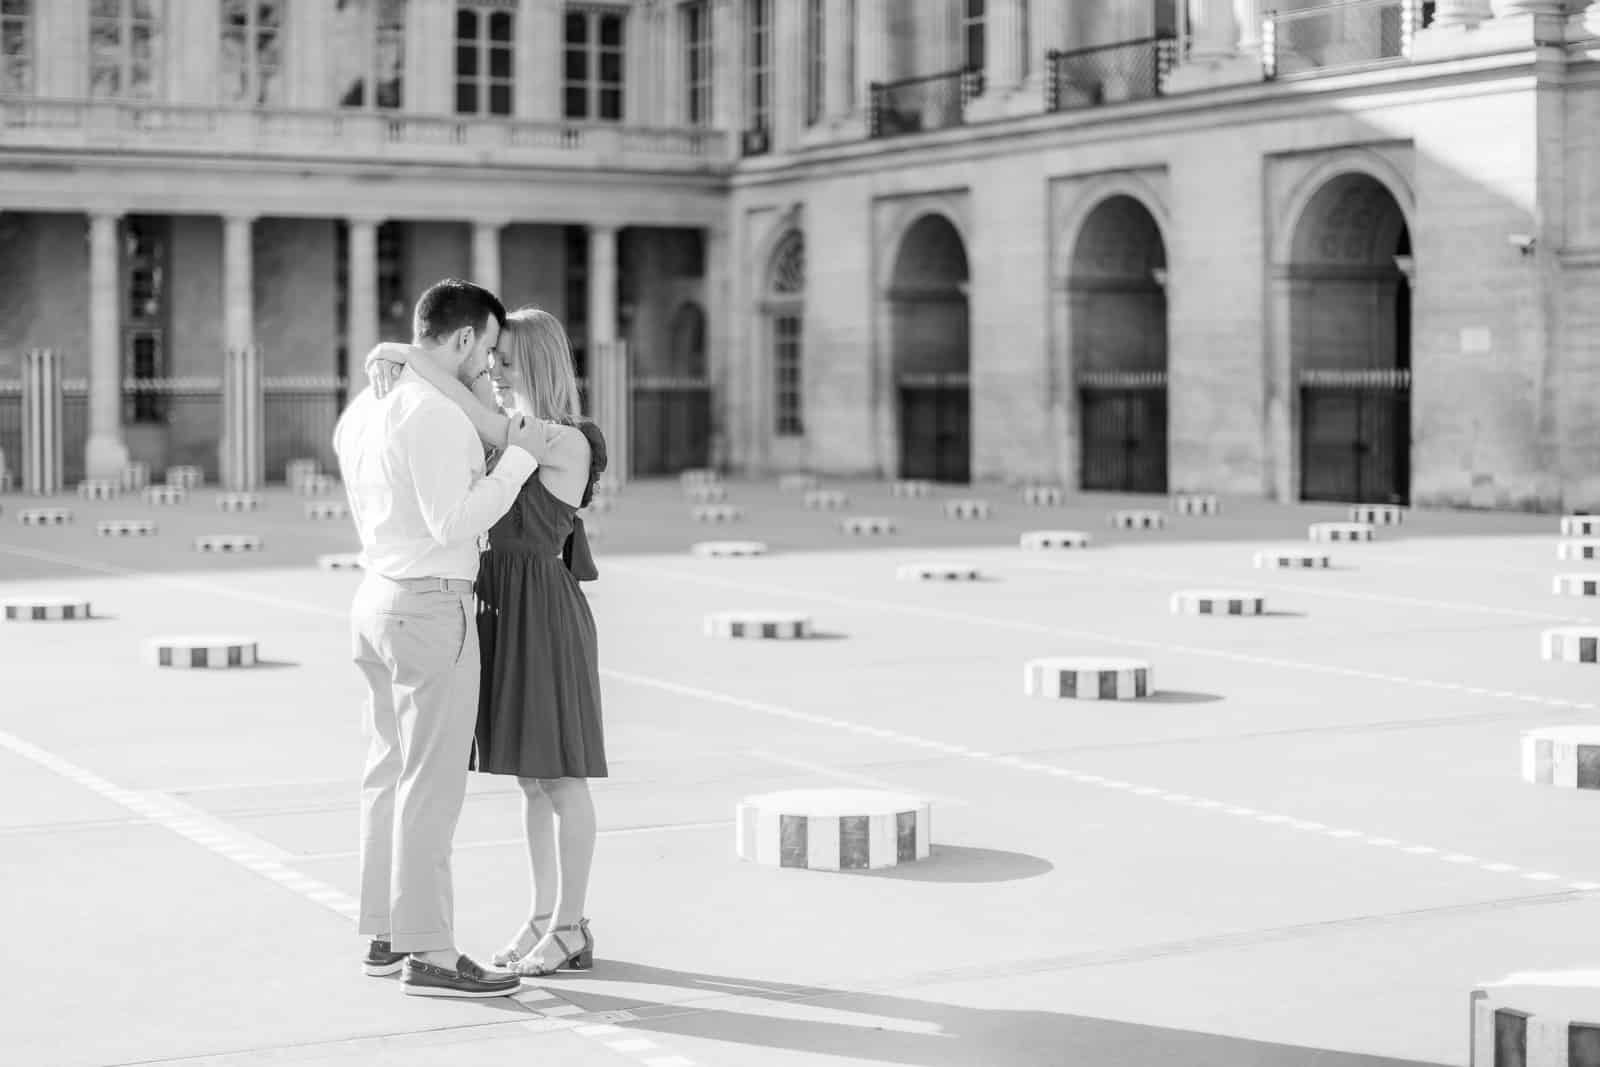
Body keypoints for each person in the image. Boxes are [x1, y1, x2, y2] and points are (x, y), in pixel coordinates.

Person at [365, 307, 608, 979]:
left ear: (534, 363)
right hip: (504, 607)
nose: (491, 371)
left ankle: (570, 924)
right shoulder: (512, 435)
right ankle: (542, 915)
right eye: (490, 359)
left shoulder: (564, 439)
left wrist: (409, 353)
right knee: (533, 781)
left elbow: (482, 420)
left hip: (545, 615)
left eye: (505, 362)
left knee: (563, 776)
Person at [334, 279, 550, 999]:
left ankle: (389, 932)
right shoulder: (435, 415)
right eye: (487, 350)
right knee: (429, 786)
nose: (489, 368)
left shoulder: (367, 405)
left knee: (387, 777)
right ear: (461, 340)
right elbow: (453, 522)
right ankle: (429, 953)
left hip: (377, 599)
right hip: (430, 607)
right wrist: (516, 460)